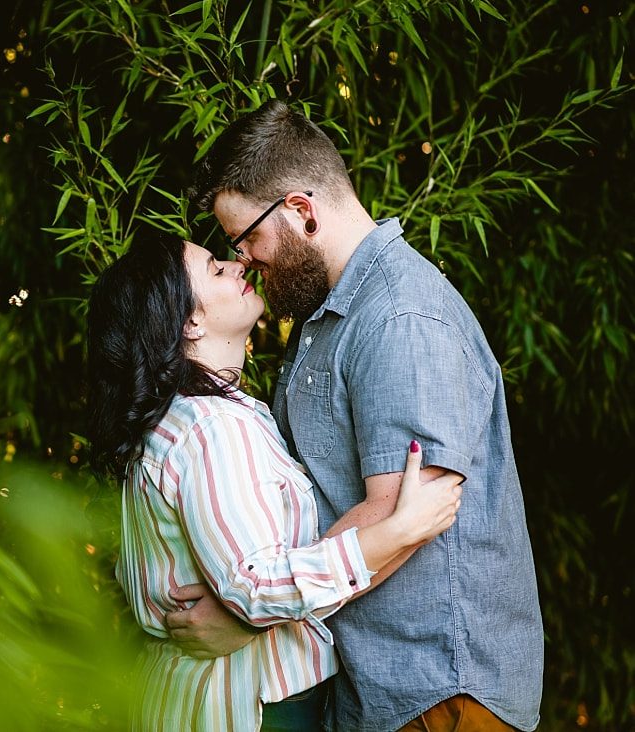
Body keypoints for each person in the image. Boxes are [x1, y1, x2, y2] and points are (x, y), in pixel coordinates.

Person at [168, 100, 544, 732]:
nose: (245, 260)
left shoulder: (402, 317)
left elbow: (403, 515)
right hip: (375, 683)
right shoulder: (324, 317)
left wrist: (249, 612)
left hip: (438, 690)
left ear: (301, 211)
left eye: (246, 239)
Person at [85, 233, 463, 731]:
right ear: (189, 321)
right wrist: (399, 529)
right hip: (251, 707)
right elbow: (255, 584)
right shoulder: (210, 429)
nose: (237, 265)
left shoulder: (181, 423)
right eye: (216, 270)